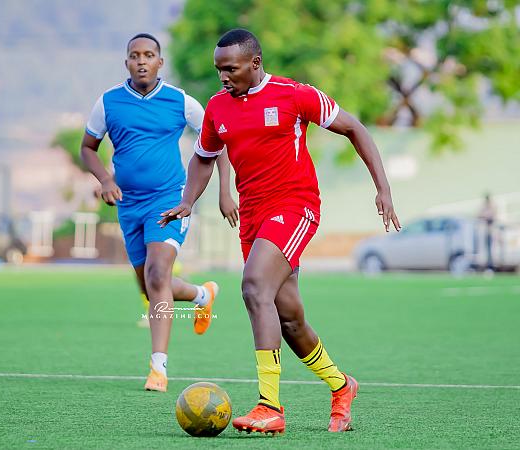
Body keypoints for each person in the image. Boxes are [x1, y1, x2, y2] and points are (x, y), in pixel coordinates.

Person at [160, 29, 401, 434]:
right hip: (253, 217)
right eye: (219, 69)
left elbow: (355, 128)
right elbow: (203, 158)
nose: (223, 77)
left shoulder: (295, 95)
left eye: (231, 69)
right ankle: (342, 386)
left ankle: (270, 406)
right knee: (289, 319)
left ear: (255, 63)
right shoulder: (218, 107)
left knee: (254, 286)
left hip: (295, 206)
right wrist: (188, 201)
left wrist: (384, 188)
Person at [80, 33, 238, 392]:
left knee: (157, 275)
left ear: (159, 62)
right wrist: (105, 179)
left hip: (169, 200)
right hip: (128, 205)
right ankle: (201, 295)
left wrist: (224, 191)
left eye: (148, 55)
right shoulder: (108, 102)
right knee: (151, 285)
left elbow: (219, 140)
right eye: (135, 55)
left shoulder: (180, 102)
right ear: (126, 62)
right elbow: (88, 148)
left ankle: (158, 368)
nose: (141, 61)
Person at [478, 193, 497, 273]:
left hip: (491, 232)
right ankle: (487, 266)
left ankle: (490, 266)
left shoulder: (491, 207)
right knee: (486, 250)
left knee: (491, 250)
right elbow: (479, 215)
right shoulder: (484, 207)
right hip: (485, 232)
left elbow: (492, 217)